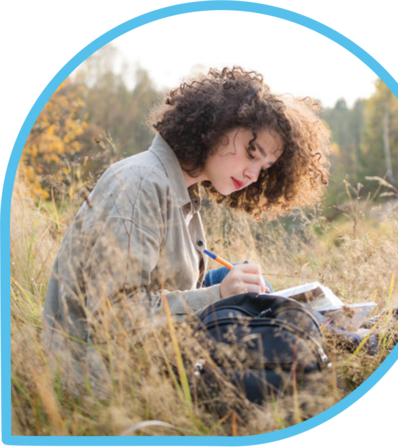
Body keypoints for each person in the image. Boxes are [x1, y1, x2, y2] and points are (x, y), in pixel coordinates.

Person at [42, 66, 331, 396]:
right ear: (215, 125)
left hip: (149, 369)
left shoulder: (182, 193)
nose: (253, 174)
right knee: (290, 383)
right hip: (107, 390)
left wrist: (222, 285)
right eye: (252, 152)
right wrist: (218, 297)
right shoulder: (140, 185)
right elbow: (116, 318)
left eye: (264, 167)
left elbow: (161, 285)